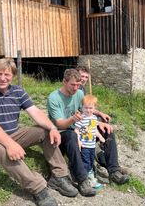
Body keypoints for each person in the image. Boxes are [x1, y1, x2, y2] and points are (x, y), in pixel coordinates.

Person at [0, 58, 78, 206]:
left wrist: (53, 128)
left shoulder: (18, 91)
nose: (2, 78)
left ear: (13, 76)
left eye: (7, 75)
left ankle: (59, 176)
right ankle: (38, 189)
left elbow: (36, 113)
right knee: (2, 149)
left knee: (44, 131)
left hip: (13, 136)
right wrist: (10, 145)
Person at [47, 69, 129, 197]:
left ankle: (114, 171)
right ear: (64, 82)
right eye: (72, 85)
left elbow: (87, 109)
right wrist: (73, 119)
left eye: (78, 85)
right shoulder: (54, 97)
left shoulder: (79, 93)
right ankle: (82, 180)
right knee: (72, 135)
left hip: (81, 129)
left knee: (107, 131)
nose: (75, 88)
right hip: (61, 134)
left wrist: (99, 120)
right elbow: (59, 124)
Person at [74, 94, 105, 189]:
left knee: (91, 162)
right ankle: (88, 180)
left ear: (94, 108)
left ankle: (90, 178)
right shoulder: (81, 118)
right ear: (82, 107)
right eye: (86, 108)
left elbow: (94, 130)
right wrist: (78, 140)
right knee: (86, 162)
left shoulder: (94, 118)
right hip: (84, 145)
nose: (88, 110)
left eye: (90, 108)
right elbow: (76, 130)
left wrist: (100, 136)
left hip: (92, 145)